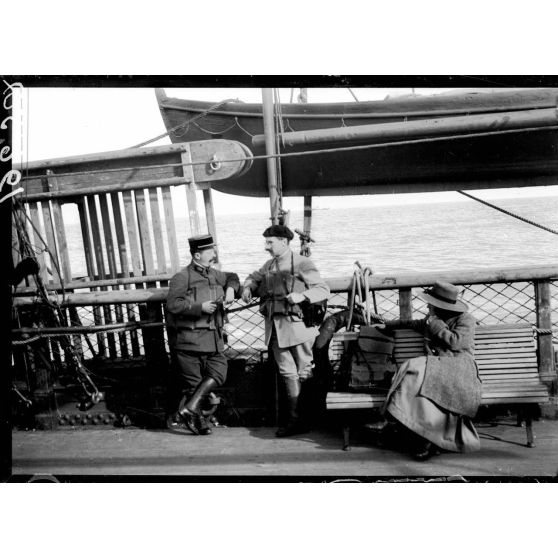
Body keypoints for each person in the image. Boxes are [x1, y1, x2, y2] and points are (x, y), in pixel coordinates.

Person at [376, 280, 482, 460]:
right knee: (412, 375)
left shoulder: (465, 319)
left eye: (430, 303)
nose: (427, 305)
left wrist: (435, 323)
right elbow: (414, 324)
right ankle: (408, 426)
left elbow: (456, 342)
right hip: (436, 366)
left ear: (439, 304)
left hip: (459, 366)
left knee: (412, 366)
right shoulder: (433, 318)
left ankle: (392, 419)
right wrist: (388, 325)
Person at [242, 224, 330, 437]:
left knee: (305, 372)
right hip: (275, 330)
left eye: (270, 242)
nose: (266, 247)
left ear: (284, 241)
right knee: (287, 374)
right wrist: (247, 287)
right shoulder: (270, 264)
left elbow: (323, 289)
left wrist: (303, 296)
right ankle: (295, 420)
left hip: (298, 329)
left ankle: (310, 418)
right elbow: (255, 276)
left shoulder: (302, 262)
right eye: (266, 242)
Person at [166, 234, 240, 435]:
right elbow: (173, 304)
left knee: (219, 371)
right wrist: (200, 307)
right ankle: (197, 422)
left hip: (213, 340)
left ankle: (188, 410)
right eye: (210, 251)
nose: (214, 253)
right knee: (193, 385)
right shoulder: (182, 277)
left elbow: (232, 277)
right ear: (197, 254)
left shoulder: (215, 274)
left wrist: (232, 290)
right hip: (189, 342)